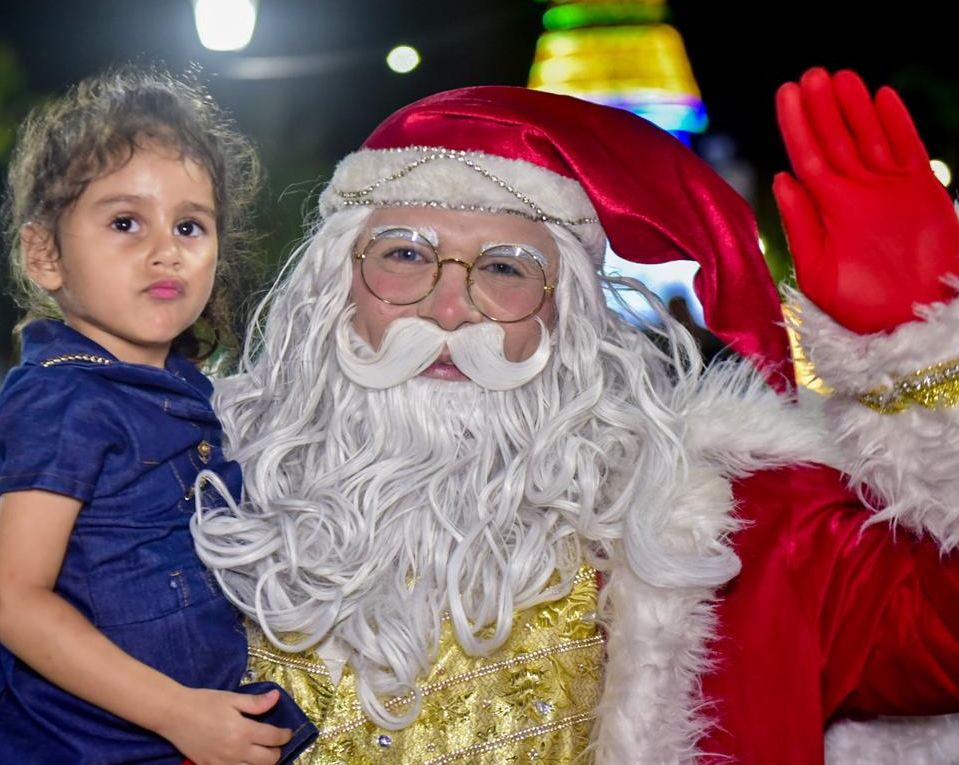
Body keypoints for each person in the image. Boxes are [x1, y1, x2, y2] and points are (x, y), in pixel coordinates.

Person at [193, 67, 959, 764]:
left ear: (573, 319)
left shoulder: (731, 530)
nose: (452, 308)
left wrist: (921, 359)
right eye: (403, 256)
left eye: (504, 269)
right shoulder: (187, 483)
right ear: (333, 288)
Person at [0, 68, 317, 765]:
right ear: (46, 255)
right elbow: (12, 598)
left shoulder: (184, 388)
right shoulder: (64, 396)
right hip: (80, 746)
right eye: (125, 221)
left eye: (190, 224)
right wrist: (177, 712)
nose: (167, 249)